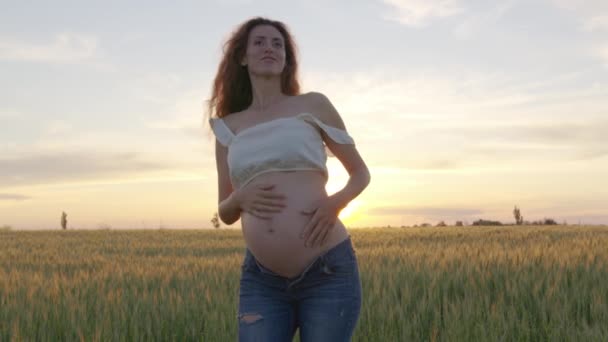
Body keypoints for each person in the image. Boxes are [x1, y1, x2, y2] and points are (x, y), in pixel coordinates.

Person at [206, 17, 371, 341]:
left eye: (277, 43)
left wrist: (334, 204)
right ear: (242, 57)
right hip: (262, 281)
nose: (269, 47)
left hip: (328, 271)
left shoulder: (313, 104)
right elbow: (225, 212)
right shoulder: (227, 127)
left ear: (286, 59)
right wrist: (239, 199)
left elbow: (361, 174)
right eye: (260, 42)